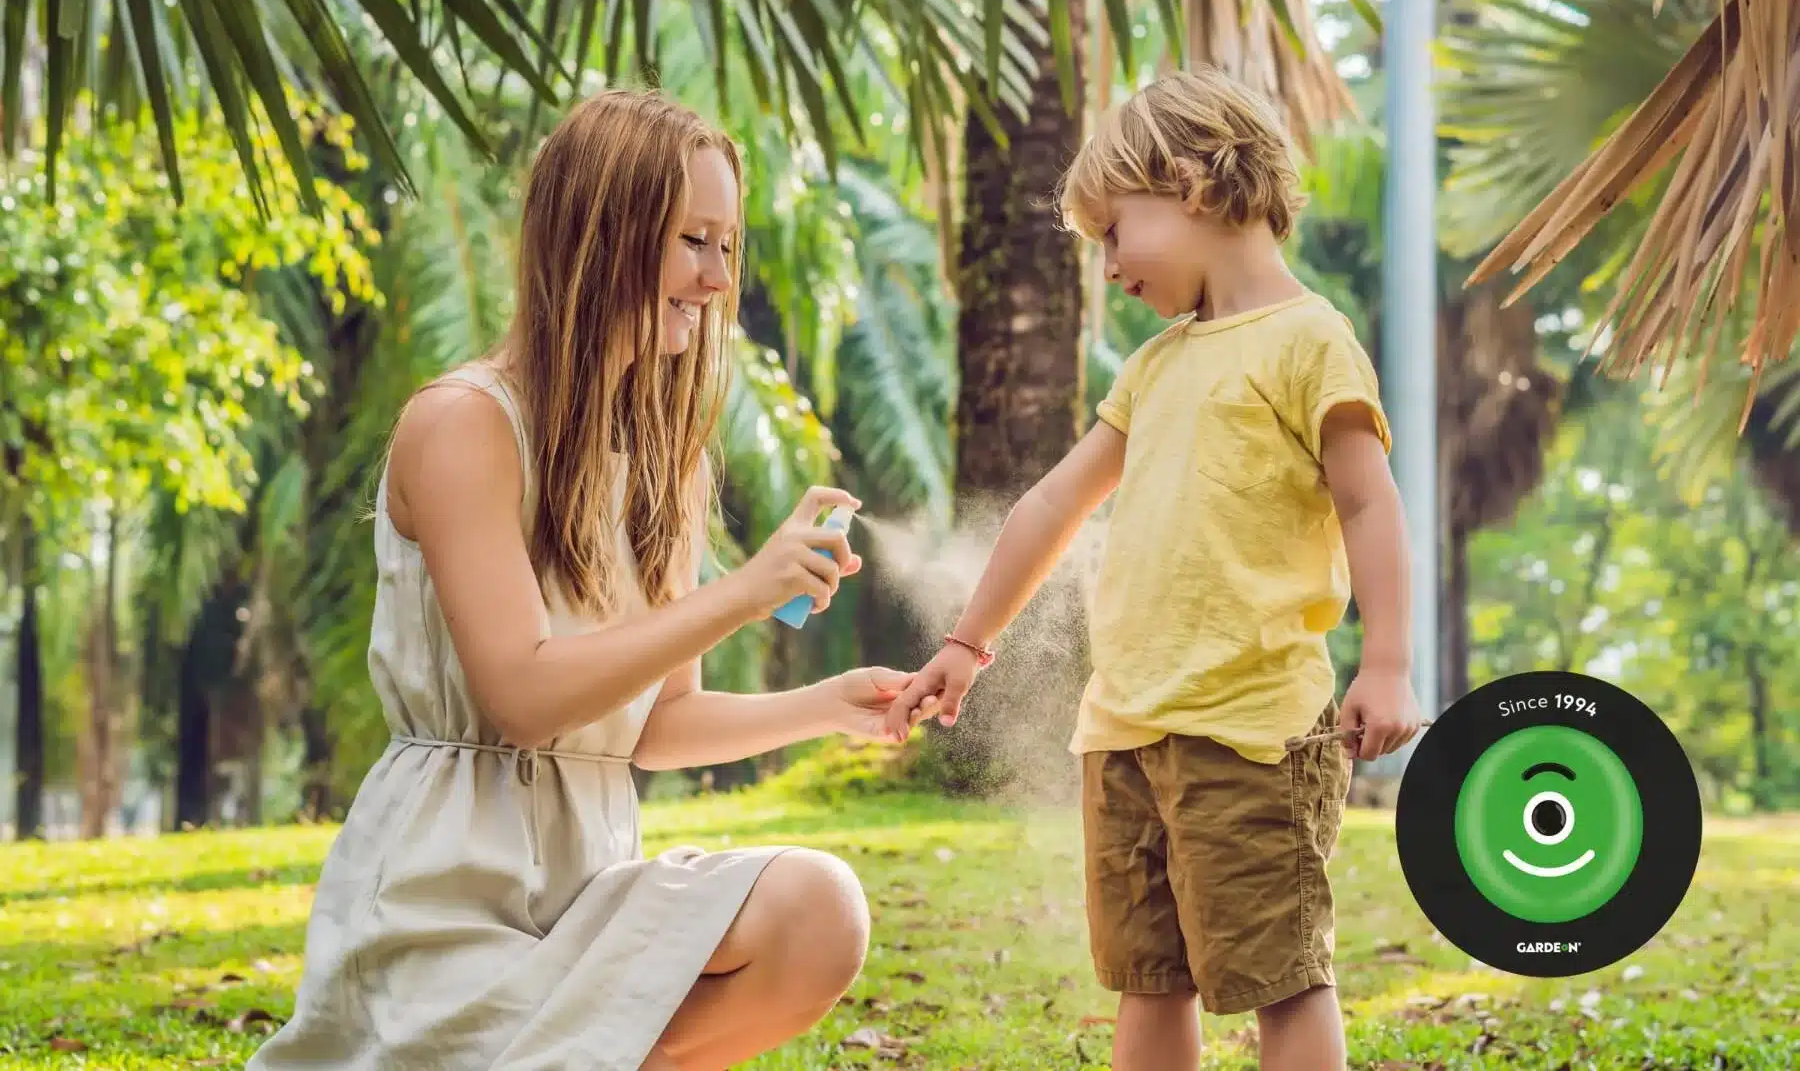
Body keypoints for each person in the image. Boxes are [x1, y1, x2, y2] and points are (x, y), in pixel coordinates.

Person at [251, 90, 915, 1071]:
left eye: (729, 246)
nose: (717, 277)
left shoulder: (666, 462)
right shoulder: (463, 426)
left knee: (820, 910)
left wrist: (831, 706)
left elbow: (653, 728)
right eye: (694, 239)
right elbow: (521, 698)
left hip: (587, 894)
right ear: (601, 234)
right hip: (443, 899)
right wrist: (739, 593)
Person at [885, 67, 1422, 1070]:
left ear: (1191, 183)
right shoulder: (1155, 367)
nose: (1108, 268)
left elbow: (1367, 502)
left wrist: (1387, 661)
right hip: (1126, 727)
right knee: (1146, 977)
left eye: (1113, 233)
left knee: (1283, 976)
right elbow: (1052, 504)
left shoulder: (1310, 342)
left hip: (1251, 729)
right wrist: (969, 640)